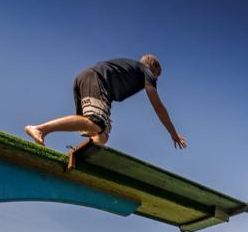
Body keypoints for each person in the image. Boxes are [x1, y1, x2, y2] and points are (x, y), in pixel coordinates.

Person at [24, 55, 187, 167]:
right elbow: (157, 106)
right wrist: (172, 133)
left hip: (86, 80)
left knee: (102, 134)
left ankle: (84, 159)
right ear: (153, 68)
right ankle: (40, 129)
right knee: (96, 124)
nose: (155, 80)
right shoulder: (146, 71)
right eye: (156, 77)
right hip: (96, 81)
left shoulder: (128, 68)